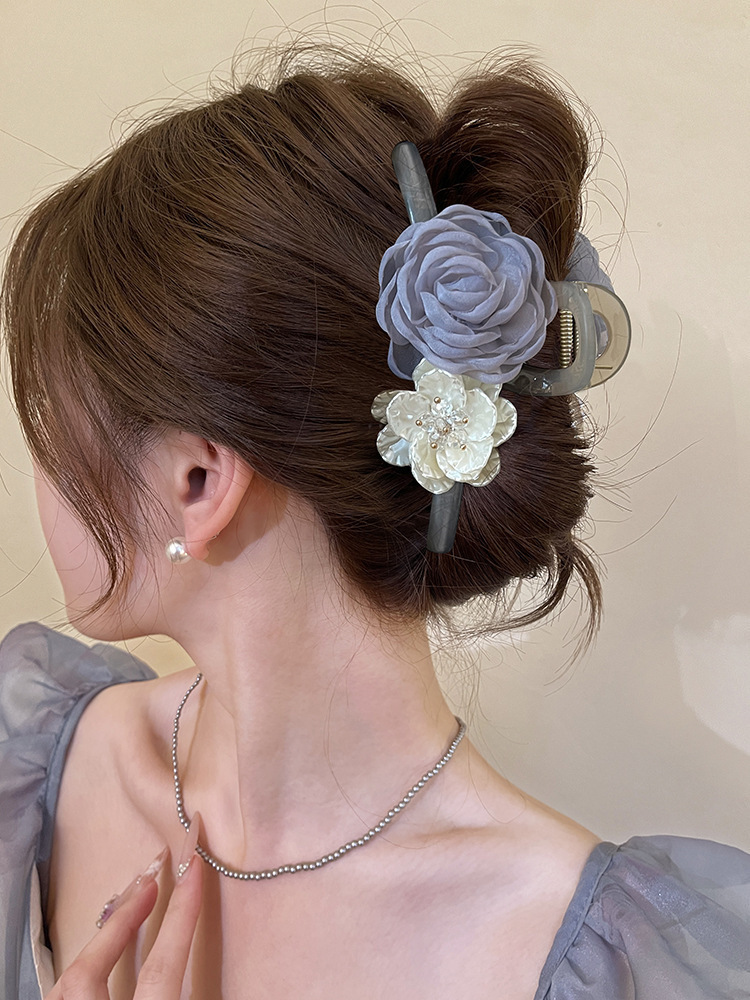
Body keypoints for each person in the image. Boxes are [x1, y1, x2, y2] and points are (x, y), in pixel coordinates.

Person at [1, 41, 749, 1000]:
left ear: (199, 480)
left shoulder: (590, 962)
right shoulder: (34, 762)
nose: (37, 464)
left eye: (51, 418)